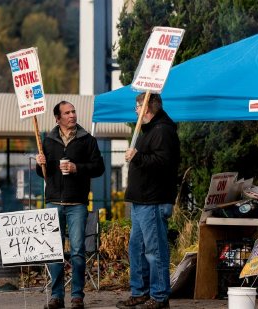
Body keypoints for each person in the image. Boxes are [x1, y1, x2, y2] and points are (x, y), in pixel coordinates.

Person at [36, 100, 105, 309]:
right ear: (58, 118)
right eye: (67, 113)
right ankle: (56, 296)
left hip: (77, 203)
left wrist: (77, 168)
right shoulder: (47, 141)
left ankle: (77, 296)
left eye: (73, 112)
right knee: (53, 251)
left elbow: (99, 167)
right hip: (53, 202)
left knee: (77, 251)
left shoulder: (87, 140)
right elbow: (43, 174)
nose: (72, 115)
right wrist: (40, 164)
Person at [116, 93, 180, 309]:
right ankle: (140, 291)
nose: (135, 111)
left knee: (154, 251)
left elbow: (164, 163)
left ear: (147, 109)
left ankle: (160, 296)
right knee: (137, 248)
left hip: (153, 200)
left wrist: (137, 157)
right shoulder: (151, 130)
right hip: (141, 199)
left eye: (137, 107)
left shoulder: (162, 130)